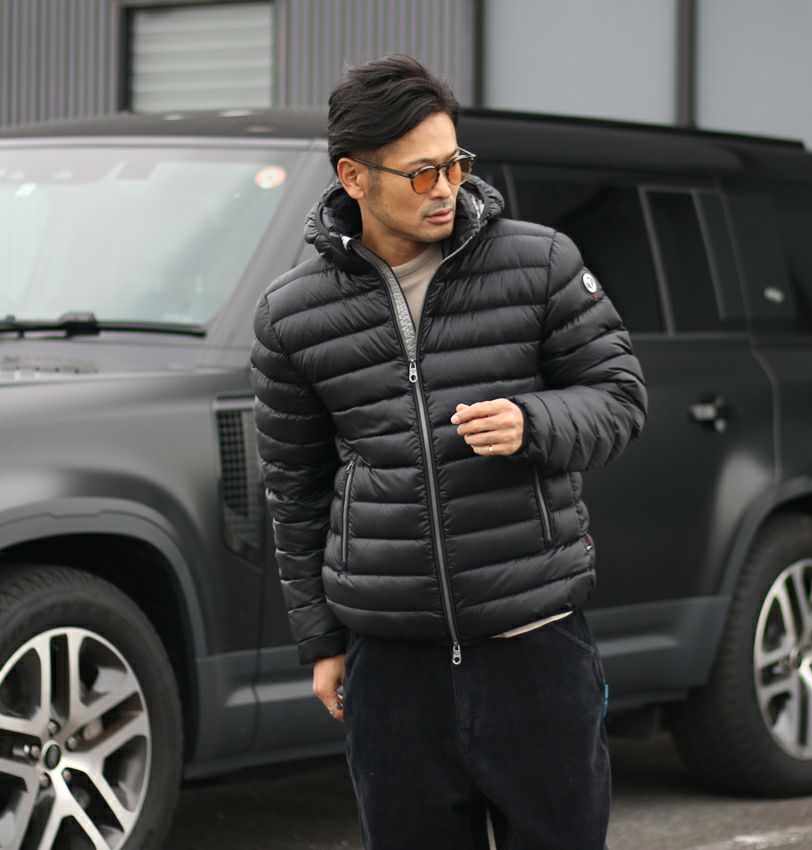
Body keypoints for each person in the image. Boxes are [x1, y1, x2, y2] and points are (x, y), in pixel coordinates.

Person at [251, 54, 647, 850]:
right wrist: (322, 642)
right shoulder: (292, 315)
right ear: (353, 177)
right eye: (421, 172)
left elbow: (619, 397)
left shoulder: (538, 263)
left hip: (534, 641)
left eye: (455, 163)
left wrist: (533, 421)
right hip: (391, 667)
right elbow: (296, 487)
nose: (446, 188)